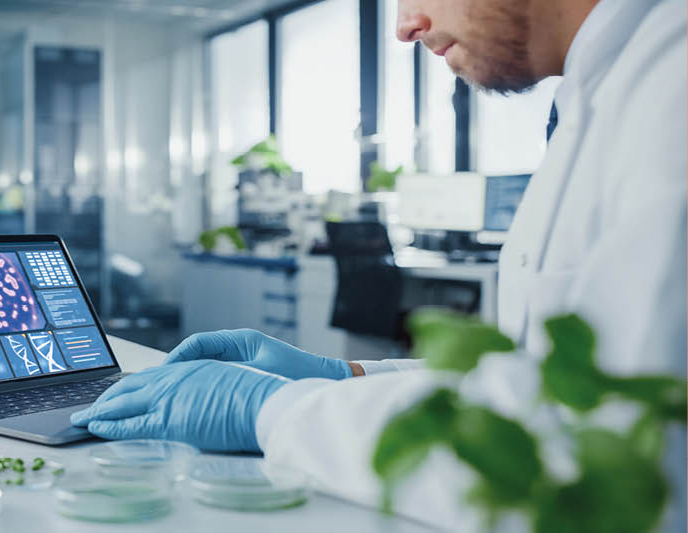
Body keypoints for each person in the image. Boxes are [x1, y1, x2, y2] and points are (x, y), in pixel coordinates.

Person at [72, 0, 687, 529]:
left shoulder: (671, 88)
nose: (405, 24)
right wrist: (354, 376)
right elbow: (540, 381)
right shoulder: (610, 90)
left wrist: (270, 411)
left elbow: (590, 452)